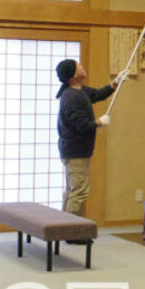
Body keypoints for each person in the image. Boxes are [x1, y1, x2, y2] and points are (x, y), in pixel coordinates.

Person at [55, 59, 125, 221]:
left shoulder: (79, 91)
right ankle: (71, 230)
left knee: (73, 190)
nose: (82, 65)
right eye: (78, 65)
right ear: (73, 75)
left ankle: (62, 226)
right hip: (75, 151)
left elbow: (97, 94)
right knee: (79, 191)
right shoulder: (71, 97)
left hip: (77, 149)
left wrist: (116, 82)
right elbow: (82, 125)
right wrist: (99, 122)